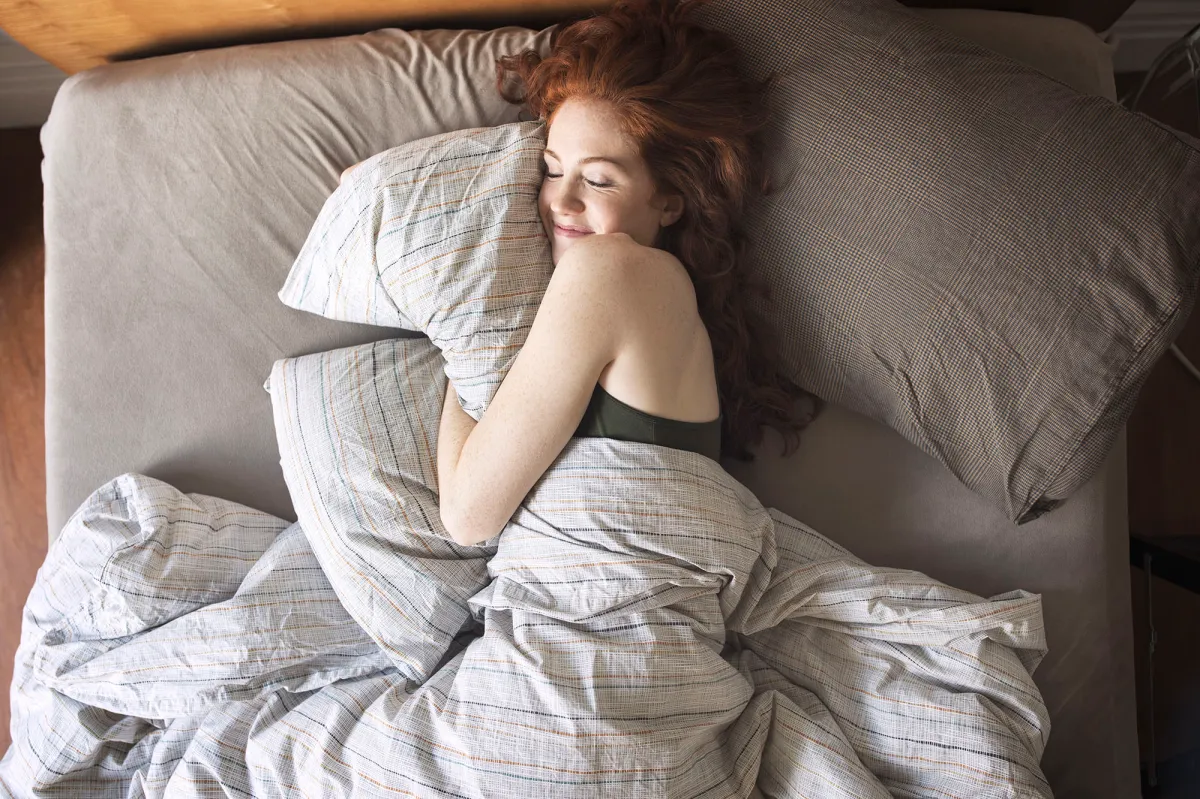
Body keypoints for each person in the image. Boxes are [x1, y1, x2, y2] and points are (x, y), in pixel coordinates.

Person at [435, 0, 821, 546]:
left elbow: (467, 518)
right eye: (551, 169)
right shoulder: (651, 293)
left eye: (598, 180)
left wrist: (459, 318)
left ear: (669, 200)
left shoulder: (613, 270)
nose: (560, 201)